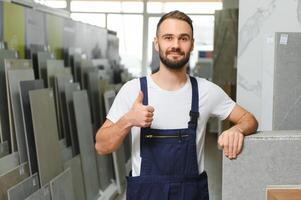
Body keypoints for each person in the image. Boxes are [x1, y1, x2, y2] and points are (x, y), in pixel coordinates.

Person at [95, 10, 258, 200]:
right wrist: (128, 120)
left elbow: (250, 120)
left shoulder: (206, 91)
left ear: (192, 44)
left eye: (183, 38)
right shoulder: (133, 90)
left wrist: (237, 130)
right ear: (157, 43)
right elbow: (101, 146)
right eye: (168, 37)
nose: (175, 45)